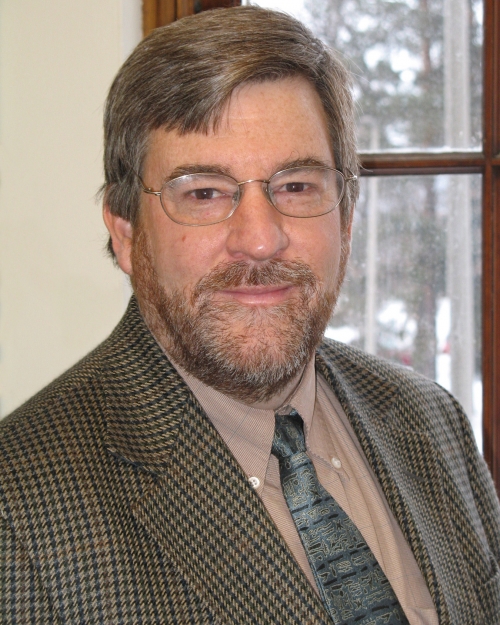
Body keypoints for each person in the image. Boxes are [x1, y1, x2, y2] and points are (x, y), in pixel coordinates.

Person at [1, 6, 499, 624]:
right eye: (204, 193)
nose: (260, 240)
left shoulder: (431, 422)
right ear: (127, 234)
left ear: (346, 217)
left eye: (296, 186)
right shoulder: (17, 514)